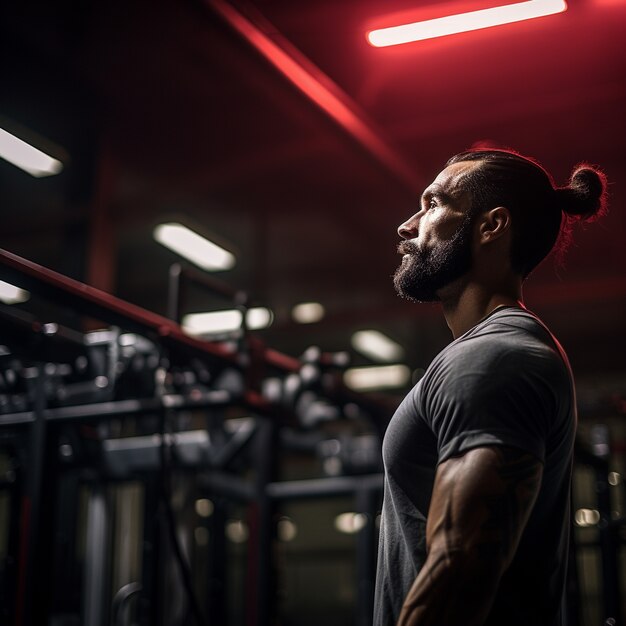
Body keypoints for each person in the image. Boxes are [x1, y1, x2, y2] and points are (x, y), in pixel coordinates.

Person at [373, 148, 608, 626]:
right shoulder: (490, 352)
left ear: (491, 226)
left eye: (433, 204)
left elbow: (460, 564)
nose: (407, 225)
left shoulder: (492, 359)